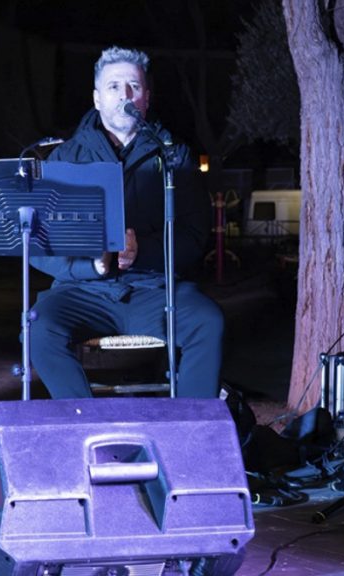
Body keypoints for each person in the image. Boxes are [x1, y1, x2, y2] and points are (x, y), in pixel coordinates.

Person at [29, 46, 224, 399]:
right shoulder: (64, 158)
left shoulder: (173, 155)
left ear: (147, 97)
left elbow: (195, 236)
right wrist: (92, 266)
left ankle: (191, 435)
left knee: (207, 322)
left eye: (133, 86)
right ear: (97, 98)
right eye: (114, 87)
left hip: (155, 291)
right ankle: (87, 426)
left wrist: (143, 252)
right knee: (37, 329)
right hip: (82, 292)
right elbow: (39, 246)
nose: (125, 95)